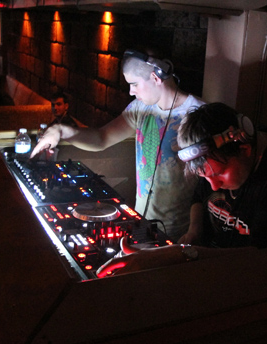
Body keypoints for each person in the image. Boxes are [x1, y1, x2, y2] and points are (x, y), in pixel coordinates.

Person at [96, 102, 267, 278]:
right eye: (205, 176)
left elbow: (263, 258)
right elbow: (200, 195)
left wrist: (183, 255)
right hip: (211, 269)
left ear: (244, 149)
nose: (214, 186)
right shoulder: (217, 158)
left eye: (219, 174)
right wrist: (195, 230)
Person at [31, 48, 204, 241]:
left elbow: (207, 186)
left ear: (156, 77)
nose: (131, 91)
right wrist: (61, 130)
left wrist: (194, 231)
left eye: (134, 84)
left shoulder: (198, 114)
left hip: (180, 234)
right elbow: (102, 138)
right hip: (143, 226)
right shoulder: (139, 108)